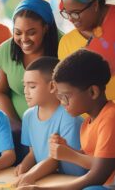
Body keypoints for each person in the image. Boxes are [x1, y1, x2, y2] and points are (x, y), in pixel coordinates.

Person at [18, 49, 115, 190]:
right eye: (59, 97)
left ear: (93, 92)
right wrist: (67, 151)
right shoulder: (88, 123)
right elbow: (94, 161)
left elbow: (98, 175)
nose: (62, 102)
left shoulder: (112, 118)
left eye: (66, 96)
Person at [0, 0, 59, 164]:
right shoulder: (6, 50)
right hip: (19, 131)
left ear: (45, 28)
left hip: (57, 131)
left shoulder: (63, 45)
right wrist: (14, 122)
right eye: (18, 32)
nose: (24, 39)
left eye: (31, 32)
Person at [14, 57, 86, 187]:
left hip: (72, 182)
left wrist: (31, 175)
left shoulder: (70, 118)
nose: (25, 91)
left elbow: (56, 160)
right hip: (46, 178)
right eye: (25, 85)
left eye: (32, 86)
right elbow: (33, 153)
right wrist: (24, 166)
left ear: (52, 86)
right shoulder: (28, 116)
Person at [58, 0, 115, 112]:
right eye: (67, 13)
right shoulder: (66, 43)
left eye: (76, 13)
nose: (71, 19)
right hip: (93, 123)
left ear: (95, 5)